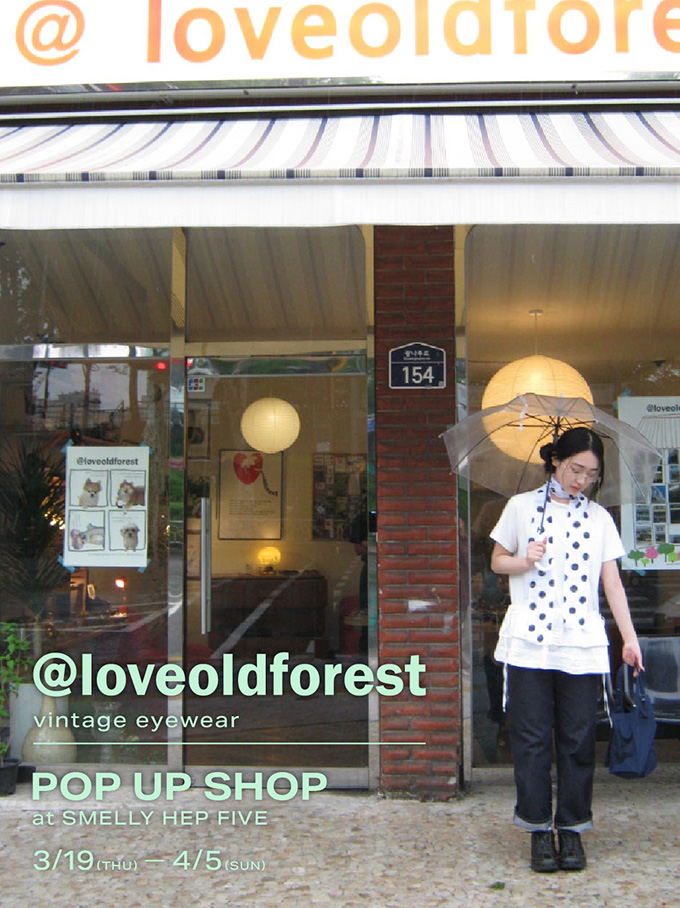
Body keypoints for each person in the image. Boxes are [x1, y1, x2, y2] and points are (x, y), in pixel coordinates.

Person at [489, 426, 643, 874]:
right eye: (576, 469)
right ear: (555, 460)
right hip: (529, 644)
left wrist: (629, 638)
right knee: (532, 740)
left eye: (591, 474)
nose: (582, 480)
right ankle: (538, 828)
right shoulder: (521, 508)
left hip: (580, 642)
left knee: (577, 740)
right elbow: (497, 560)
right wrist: (525, 560)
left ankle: (572, 828)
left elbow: (612, 583)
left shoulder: (599, 518)